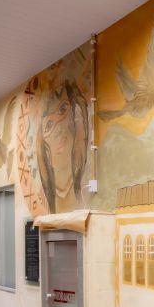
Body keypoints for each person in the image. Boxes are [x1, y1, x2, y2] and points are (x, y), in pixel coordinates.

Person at [36, 79, 88, 213]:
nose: (58, 128)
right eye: (49, 125)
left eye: (63, 109)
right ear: (44, 145)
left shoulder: (85, 185)